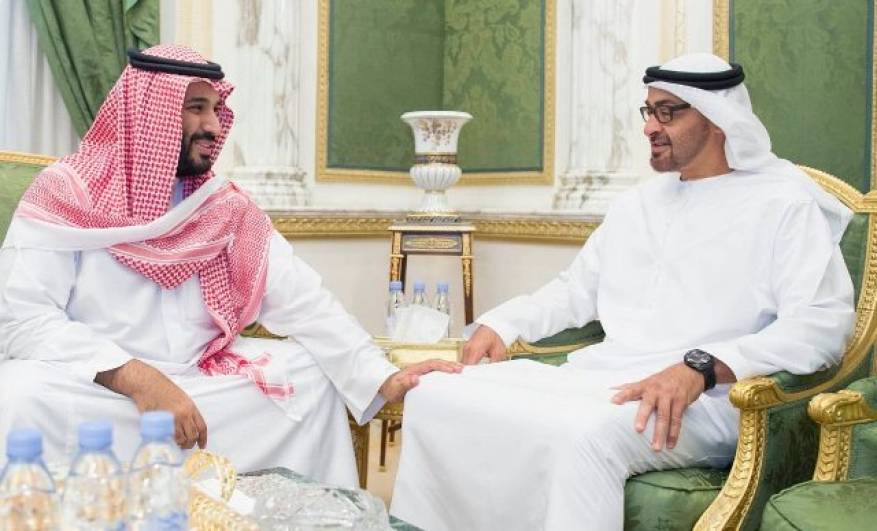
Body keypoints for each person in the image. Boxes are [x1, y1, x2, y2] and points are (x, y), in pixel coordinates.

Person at [390, 53, 856, 530]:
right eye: (648, 111)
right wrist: (503, 323)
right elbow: (575, 290)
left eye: (667, 112)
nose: (650, 127)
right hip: (608, 375)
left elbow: (821, 326)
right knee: (437, 393)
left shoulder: (782, 205)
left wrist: (701, 367)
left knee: (583, 434)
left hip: (706, 400)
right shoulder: (637, 203)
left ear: (717, 118)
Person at [0, 44, 460, 487]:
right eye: (196, 108)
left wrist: (381, 375)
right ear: (149, 113)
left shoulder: (222, 206)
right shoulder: (68, 193)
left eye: (216, 109)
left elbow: (302, 300)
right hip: (103, 393)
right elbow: (23, 319)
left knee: (311, 373)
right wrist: (138, 379)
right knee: (19, 393)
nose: (214, 126)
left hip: (202, 389)